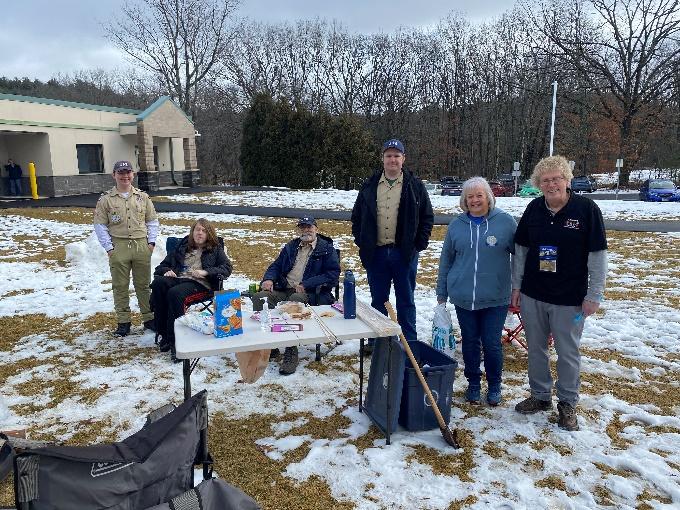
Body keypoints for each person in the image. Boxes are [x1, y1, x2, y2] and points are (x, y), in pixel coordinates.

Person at [512, 155, 607, 431]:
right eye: (545, 180)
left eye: (556, 178)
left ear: (567, 180)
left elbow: (598, 256)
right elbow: (521, 252)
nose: (551, 184)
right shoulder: (533, 210)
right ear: (538, 184)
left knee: (568, 352)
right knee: (536, 350)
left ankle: (567, 403)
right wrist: (516, 287)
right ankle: (540, 396)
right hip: (533, 294)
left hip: (570, 298)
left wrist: (594, 295)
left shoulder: (586, 210)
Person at [436, 177, 517, 406]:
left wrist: (518, 287)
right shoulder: (456, 226)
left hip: (495, 297)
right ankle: (473, 383)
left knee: (491, 343)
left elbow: (520, 256)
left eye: (479, 195)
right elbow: (446, 261)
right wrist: (442, 292)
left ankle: (494, 385)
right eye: (469, 197)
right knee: (470, 341)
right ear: (464, 200)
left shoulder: (505, 222)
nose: (474, 200)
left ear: (488, 197)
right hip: (463, 297)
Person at [351, 138, 434, 352]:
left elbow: (427, 217)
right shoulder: (369, 185)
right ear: (383, 159)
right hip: (376, 254)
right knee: (378, 300)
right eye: (389, 155)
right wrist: (362, 241)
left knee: (406, 300)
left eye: (397, 156)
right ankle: (377, 342)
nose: (393, 160)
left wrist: (419, 244)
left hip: (404, 254)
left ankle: (410, 343)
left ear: (403, 159)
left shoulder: (414, 186)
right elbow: (357, 217)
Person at [252, 216, 340, 375]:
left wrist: (307, 284)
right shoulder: (291, 246)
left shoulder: (326, 248)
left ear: (316, 229)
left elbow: (333, 274)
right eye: (303, 227)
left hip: (310, 293)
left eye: (310, 227)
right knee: (260, 297)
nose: (306, 230)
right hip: (284, 287)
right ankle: (269, 345)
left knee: (294, 301)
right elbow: (276, 265)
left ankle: (291, 350)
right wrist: (269, 279)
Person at [151, 218, 232, 362]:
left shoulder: (215, 248)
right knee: (158, 283)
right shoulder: (182, 246)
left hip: (202, 284)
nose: (200, 233)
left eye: (204, 230)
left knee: (175, 294)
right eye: (197, 229)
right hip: (178, 279)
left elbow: (227, 268)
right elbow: (161, 266)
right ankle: (164, 333)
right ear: (192, 232)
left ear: (209, 234)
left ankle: (177, 341)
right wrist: (167, 270)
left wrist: (205, 272)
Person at [93, 160, 159, 337]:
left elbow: (152, 221)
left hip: (141, 246)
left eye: (128, 172)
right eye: (121, 173)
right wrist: (109, 248)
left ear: (133, 175)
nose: (125, 176)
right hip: (119, 246)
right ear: (114, 175)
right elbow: (100, 226)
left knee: (143, 285)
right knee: (120, 286)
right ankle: (124, 322)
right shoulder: (106, 199)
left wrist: (151, 243)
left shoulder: (142, 197)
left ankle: (149, 319)